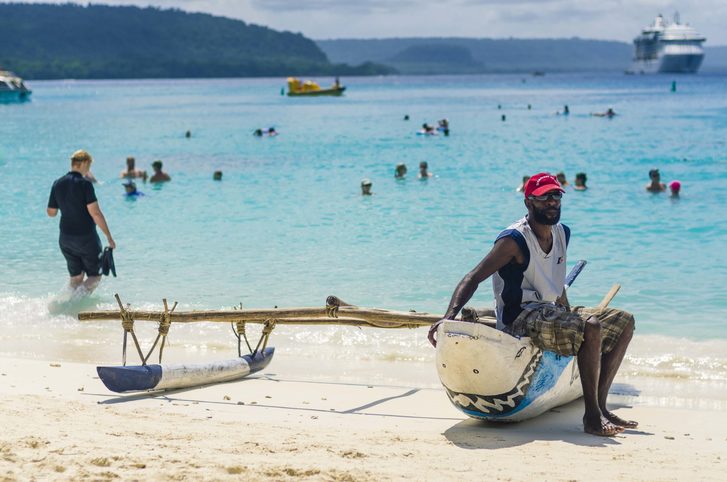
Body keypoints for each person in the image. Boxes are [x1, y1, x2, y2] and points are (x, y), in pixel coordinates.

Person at [429, 172, 636, 437]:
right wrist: (448, 316)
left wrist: (568, 311)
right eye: (545, 197)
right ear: (529, 203)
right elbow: (473, 276)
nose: (552, 202)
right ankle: (592, 418)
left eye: (556, 195)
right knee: (591, 327)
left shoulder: (563, 233)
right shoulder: (513, 240)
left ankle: (601, 407)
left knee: (623, 321)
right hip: (520, 316)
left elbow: (555, 283)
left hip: (549, 309)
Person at [47, 150, 116, 294]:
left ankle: (66, 305)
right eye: (89, 165)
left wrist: (66, 205)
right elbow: (96, 213)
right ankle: (75, 303)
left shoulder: (57, 183)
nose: (89, 170)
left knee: (76, 277)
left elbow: (51, 213)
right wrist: (109, 237)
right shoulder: (85, 184)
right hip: (86, 238)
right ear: (83, 163)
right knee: (95, 276)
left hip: (65, 239)